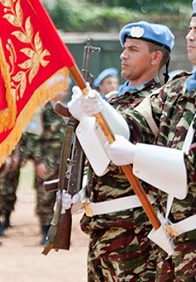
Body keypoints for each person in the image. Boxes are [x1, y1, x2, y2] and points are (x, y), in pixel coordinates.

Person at [69, 0, 196, 280]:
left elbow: (194, 170)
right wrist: (97, 109)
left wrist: (135, 155)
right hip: (167, 235)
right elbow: (130, 127)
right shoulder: (176, 88)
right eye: (190, 29)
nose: (189, 36)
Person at [66, 21, 174, 281]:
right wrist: (82, 190)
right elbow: (99, 159)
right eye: (124, 48)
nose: (123, 55)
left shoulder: (163, 98)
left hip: (135, 228)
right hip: (101, 226)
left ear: (155, 57)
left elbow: (127, 134)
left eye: (133, 49)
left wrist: (98, 110)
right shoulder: (112, 100)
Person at [28, 89, 69, 245]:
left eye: (65, 89)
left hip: (64, 163)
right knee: (45, 198)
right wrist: (38, 162)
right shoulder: (42, 111)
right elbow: (35, 138)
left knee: (62, 198)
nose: (62, 92)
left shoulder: (67, 111)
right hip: (47, 163)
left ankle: (58, 231)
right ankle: (45, 231)